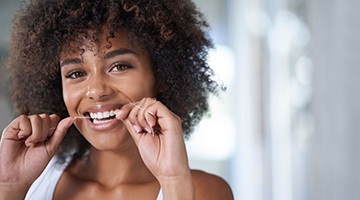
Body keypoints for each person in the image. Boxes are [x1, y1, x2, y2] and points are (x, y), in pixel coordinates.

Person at [0, 0, 233, 199]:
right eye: (76, 73)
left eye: (119, 66)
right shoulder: (32, 183)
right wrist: (9, 188)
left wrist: (174, 182)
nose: (96, 90)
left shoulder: (204, 191)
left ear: (160, 74)